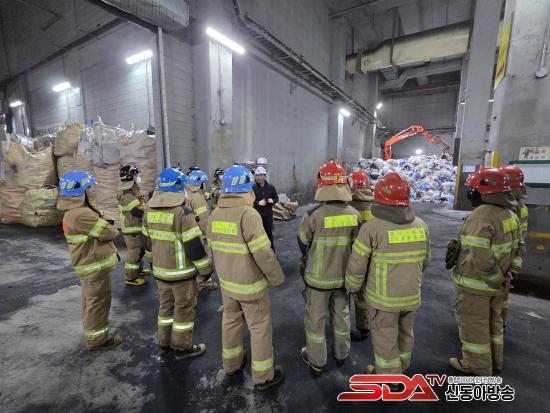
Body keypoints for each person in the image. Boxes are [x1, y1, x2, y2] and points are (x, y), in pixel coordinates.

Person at [207, 164, 286, 392]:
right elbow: (263, 253)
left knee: (230, 321)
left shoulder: (215, 214)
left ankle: (231, 364)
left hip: (227, 285)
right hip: (250, 285)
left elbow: (211, 249)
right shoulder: (248, 214)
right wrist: (276, 277)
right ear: (247, 187)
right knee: (259, 326)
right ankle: (263, 376)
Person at [345, 173, 430, 377]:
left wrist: (353, 287)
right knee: (405, 333)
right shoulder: (421, 225)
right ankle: (402, 367)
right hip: (411, 295)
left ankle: (389, 378)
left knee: (385, 337)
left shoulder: (372, 228)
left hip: (383, 300)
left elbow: (357, 263)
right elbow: (425, 261)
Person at [447, 168, 522, 375]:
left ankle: (476, 365)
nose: (470, 192)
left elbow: (481, 257)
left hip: (476, 285)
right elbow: (518, 248)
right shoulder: (510, 215)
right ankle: (495, 360)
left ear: (484, 192)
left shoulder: (480, 217)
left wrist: (495, 279)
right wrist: (508, 275)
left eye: (473, 188)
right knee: (493, 323)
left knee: (473, 324)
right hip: (499, 284)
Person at [298, 160, 361, 376]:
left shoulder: (314, 215)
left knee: (316, 320)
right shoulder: (354, 214)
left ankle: (317, 360)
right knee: (342, 316)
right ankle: (342, 353)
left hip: (317, 280)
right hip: (344, 278)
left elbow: (302, 242)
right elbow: (358, 249)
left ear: (321, 184)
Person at [142, 168, 213, 360]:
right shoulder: (183, 212)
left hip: (160, 272)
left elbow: (146, 242)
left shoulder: (148, 210)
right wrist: (206, 270)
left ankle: (164, 342)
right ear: (179, 187)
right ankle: (182, 348)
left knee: (165, 308)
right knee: (184, 309)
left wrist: (152, 264)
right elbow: (194, 246)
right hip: (182, 275)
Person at [57, 171, 122, 350]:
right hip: (94, 267)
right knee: (98, 302)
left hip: (88, 265)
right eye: (90, 187)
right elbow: (110, 232)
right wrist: (109, 225)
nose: (93, 190)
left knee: (91, 300)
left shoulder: (77, 212)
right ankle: (98, 340)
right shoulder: (80, 214)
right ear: (81, 191)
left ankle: (93, 330)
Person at [498, 165, 528, 328]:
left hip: (498, 260)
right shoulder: (520, 206)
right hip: (509, 258)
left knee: (495, 297)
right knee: (502, 297)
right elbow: (521, 240)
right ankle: (499, 326)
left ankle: (495, 326)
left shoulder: (509, 208)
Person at [347, 170, 374, 341]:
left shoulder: (346, 204)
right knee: (364, 293)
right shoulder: (377, 205)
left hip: (349, 255)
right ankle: (365, 327)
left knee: (345, 292)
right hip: (371, 257)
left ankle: (341, 326)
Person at [117, 165, 148, 286]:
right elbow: (136, 211)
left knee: (140, 250)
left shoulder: (134, 190)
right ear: (130, 177)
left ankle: (138, 270)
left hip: (136, 227)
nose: (138, 177)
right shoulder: (128, 194)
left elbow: (141, 205)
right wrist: (150, 213)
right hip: (131, 229)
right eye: (136, 175)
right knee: (135, 252)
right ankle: (130, 277)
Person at [187, 169, 218, 291]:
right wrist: (210, 233)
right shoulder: (197, 197)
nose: (205, 185)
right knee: (205, 259)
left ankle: (198, 281)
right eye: (203, 183)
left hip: (192, 233)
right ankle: (204, 283)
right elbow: (203, 219)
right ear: (199, 183)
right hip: (202, 235)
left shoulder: (188, 193)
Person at [252, 166, 278, 250]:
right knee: (258, 235)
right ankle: (260, 252)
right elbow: (250, 200)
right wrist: (257, 203)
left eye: (260, 175)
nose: (258, 177)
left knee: (269, 234)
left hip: (268, 215)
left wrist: (272, 200)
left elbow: (276, 198)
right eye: (257, 175)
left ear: (264, 176)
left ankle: (271, 251)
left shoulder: (271, 187)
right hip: (257, 215)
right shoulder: (253, 188)